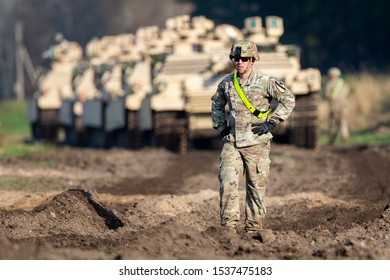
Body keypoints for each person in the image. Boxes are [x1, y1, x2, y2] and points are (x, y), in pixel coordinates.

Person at [211, 40, 295, 239]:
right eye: (236, 58)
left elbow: (288, 99)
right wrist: (222, 127)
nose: (240, 62)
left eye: (244, 59)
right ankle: (229, 229)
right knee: (227, 182)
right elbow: (217, 104)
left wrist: (273, 122)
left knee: (255, 188)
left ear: (253, 60)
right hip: (232, 142)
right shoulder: (226, 83)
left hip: (257, 143)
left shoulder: (265, 81)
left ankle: (253, 230)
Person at [324, 67, 350, 145]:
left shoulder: (329, 84)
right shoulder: (343, 83)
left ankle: (331, 140)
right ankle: (345, 136)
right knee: (343, 122)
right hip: (344, 105)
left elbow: (326, 95)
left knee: (333, 123)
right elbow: (347, 93)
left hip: (334, 106)